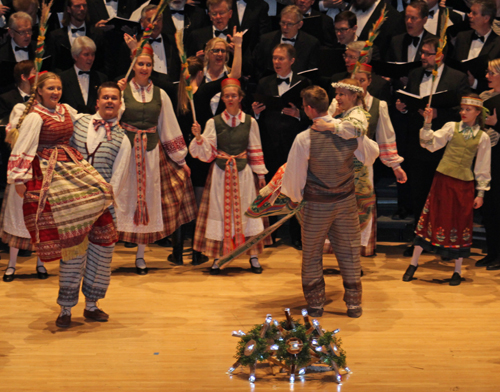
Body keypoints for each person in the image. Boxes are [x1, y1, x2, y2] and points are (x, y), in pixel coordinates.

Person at [6, 72, 117, 327]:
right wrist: (21, 180)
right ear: (40, 91)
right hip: (51, 174)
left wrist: (109, 102)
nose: (55, 92)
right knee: (71, 241)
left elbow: (91, 120)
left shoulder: (66, 110)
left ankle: (92, 303)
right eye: (50, 89)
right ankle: (66, 308)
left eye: (58, 88)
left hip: (75, 169)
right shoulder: (35, 116)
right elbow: (23, 145)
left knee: (103, 231)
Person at [281, 82, 379, 318]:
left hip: (317, 204)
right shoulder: (349, 132)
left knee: (312, 253)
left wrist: (294, 199)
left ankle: (316, 304)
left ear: (307, 108)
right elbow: (371, 155)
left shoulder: (304, 139)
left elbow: (295, 177)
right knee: (349, 251)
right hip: (345, 202)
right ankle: (353, 305)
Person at [116, 44, 196, 275]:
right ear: (133, 65)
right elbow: (110, 120)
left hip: (150, 155)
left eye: (148, 64)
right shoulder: (122, 92)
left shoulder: (160, 94)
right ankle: (107, 251)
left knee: (148, 201)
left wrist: (181, 160)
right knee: (121, 198)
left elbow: (168, 126)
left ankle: (141, 256)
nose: (144, 68)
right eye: (140, 63)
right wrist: (118, 95)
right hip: (125, 155)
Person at [402, 95, 491, 285]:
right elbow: (429, 143)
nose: (463, 112)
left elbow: (483, 166)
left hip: (464, 185)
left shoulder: (482, 137)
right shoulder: (452, 127)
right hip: (443, 180)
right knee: (431, 218)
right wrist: (427, 123)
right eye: (462, 109)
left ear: (477, 112)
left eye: (468, 109)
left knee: (459, 223)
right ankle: (413, 263)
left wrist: (480, 192)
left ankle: (457, 270)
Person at [190, 78, 269, 275]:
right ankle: (219, 257)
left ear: (240, 97)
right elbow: (207, 154)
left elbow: (255, 148)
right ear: (223, 98)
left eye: (234, 95)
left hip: (243, 175)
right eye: (227, 96)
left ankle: (253, 256)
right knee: (219, 210)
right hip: (220, 174)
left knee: (247, 211)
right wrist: (199, 138)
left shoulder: (250, 122)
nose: (230, 99)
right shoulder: (213, 122)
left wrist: (260, 174)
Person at [327, 63, 407, 256]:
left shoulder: (379, 105)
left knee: (359, 207)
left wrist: (395, 165)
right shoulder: (337, 103)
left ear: (369, 82)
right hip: (338, 164)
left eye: (362, 81)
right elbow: (323, 127)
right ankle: (338, 251)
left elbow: (385, 137)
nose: (359, 85)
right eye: (355, 81)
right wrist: (334, 115)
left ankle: (356, 252)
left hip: (361, 164)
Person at [68, 81, 131, 322]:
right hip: (75, 203)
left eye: (114, 98)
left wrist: (102, 202)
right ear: (97, 101)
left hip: (103, 207)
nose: (109, 101)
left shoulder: (123, 138)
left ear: (119, 104)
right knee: (72, 256)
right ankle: (65, 308)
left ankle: (92, 306)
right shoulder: (79, 122)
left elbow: (119, 177)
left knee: (100, 257)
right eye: (105, 97)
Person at [476, 59, 500, 269]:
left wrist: (497, 124)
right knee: (490, 209)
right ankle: (492, 252)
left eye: (491, 72)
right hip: (488, 159)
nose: (487, 76)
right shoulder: (484, 97)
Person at [58, 36, 108, 114]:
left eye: (92, 54)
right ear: (75, 56)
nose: (90, 58)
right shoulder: (62, 78)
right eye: (86, 54)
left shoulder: (101, 78)